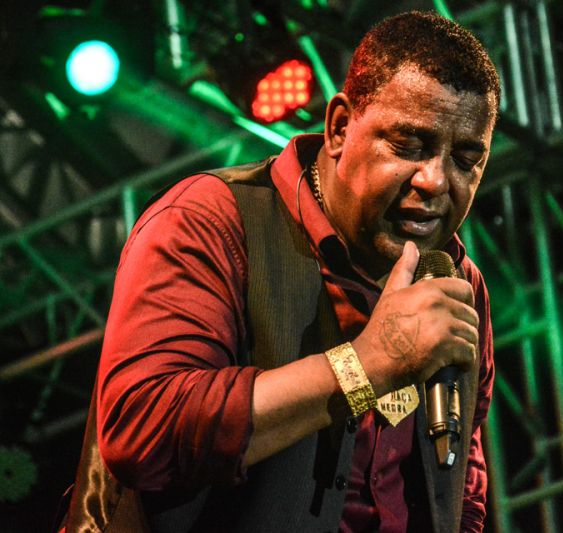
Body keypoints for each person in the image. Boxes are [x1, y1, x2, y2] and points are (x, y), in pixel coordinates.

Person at [62, 10, 499, 533]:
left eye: (466, 160)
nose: (436, 180)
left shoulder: (459, 283)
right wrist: (366, 365)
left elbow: (461, 488)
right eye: (409, 146)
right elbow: (144, 432)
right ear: (340, 128)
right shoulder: (210, 221)